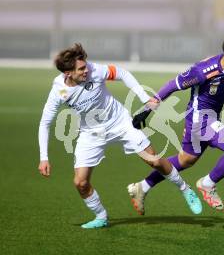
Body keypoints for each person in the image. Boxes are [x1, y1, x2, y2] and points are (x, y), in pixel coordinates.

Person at [38, 43, 202, 229]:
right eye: (81, 69)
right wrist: (44, 158)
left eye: (85, 66)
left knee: (154, 161)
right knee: (80, 182)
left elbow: (122, 73)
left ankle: (185, 189)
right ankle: (101, 217)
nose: (86, 70)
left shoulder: (95, 70)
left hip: (120, 123)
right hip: (91, 133)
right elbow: (45, 123)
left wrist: (143, 98)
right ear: (67, 73)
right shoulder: (58, 92)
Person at [130, 33, 224, 212]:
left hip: (209, 118)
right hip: (200, 121)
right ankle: (207, 184)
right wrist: (147, 110)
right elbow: (172, 85)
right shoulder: (203, 71)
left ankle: (142, 187)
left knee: (185, 160)